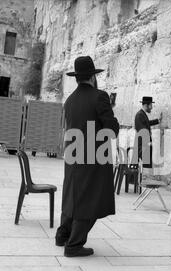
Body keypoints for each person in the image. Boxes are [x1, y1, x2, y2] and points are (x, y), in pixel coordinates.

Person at [55, 56, 120, 257]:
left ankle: (62, 235)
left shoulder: (70, 100)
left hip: (73, 156)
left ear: (77, 77)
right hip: (93, 157)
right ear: (93, 76)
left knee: (72, 194)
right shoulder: (100, 96)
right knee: (90, 198)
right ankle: (74, 245)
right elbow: (111, 130)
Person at [134, 96, 162, 168]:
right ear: (146, 105)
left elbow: (146, 123)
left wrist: (157, 120)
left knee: (144, 166)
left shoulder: (142, 114)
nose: (151, 108)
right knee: (142, 167)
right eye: (151, 105)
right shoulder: (139, 115)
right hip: (142, 145)